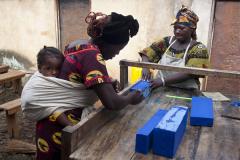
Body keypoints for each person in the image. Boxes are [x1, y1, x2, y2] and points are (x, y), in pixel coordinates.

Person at [22, 12, 143, 160]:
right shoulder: (93, 55)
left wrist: (105, 83)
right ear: (108, 42)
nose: (117, 53)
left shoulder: (78, 44)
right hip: (61, 129)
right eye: (118, 48)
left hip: (49, 122)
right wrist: (131, 98)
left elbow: (75, 78)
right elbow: (112, 103)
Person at [140, 6, 210, 90]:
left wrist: (163, 81)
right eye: (175, 28)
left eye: (182, 28)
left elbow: (191, 72)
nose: (177, 31)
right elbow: (146, 53)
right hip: (161, 89)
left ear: (192, 29)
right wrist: (145, 67)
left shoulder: (199, 49)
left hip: (186, 92)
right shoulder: (166, 42)